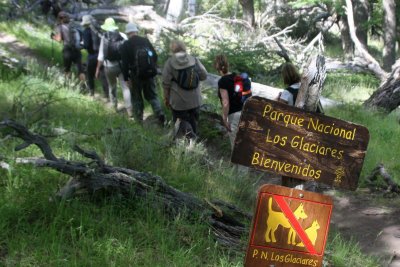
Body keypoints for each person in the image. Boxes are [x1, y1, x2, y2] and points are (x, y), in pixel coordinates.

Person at [120, 22, 165, 124]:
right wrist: (151, 66)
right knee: (152, 95)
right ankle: (159, 113)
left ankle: (139, 120)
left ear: (127, 33)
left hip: (135, 75)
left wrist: (126, 79)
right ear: (136, 31)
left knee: (136, 98)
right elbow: (154, 55)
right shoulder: (145, 41)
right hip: (149, 74)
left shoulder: (126, 45)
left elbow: (125, 64)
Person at [162, 40, 207, 139]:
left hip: (178, 102)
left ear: (172, 49)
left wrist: (166, 98)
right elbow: (204, 75)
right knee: (193, 120)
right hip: (195, 100)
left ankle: (190, 139)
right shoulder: (194, 59)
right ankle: (193, 140)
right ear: (184, 48)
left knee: (181, 121)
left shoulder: (169, 63)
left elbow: (166, 83)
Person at [95, 17, 132, 117]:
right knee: (125, 88)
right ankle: (129, 110)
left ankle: (114, 107)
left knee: (112, 87)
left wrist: (98, 69)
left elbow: (101, 56)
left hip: (109, 67)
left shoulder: (104, 37)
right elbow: (128, 51)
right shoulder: (123, 36)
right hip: (122, 66)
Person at [214, 54, 243, 150]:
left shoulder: (223, 81)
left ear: (217, 67)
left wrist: (224, 118)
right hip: (245, 114)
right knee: (245, 147)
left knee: (236, 150)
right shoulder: (237, 77)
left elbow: (226, 102)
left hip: (234, 117)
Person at [81, 14, 109, 99]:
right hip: (102, 55)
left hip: (92, 55)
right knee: (103, 75)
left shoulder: (86, 31)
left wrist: (81, 45)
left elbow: (86, 44)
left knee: (89, 74)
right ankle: (106, 94)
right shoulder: (99, 30)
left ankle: (91, 92)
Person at [51, 11, 85, 82]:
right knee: (81, 70)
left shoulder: (60, 26)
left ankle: (68, 86)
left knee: (67, 69)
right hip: (77, 50)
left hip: (67, 50)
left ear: (60, 18)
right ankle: (85, 87)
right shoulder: (73, 25)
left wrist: (53, 37)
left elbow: (59, 39)